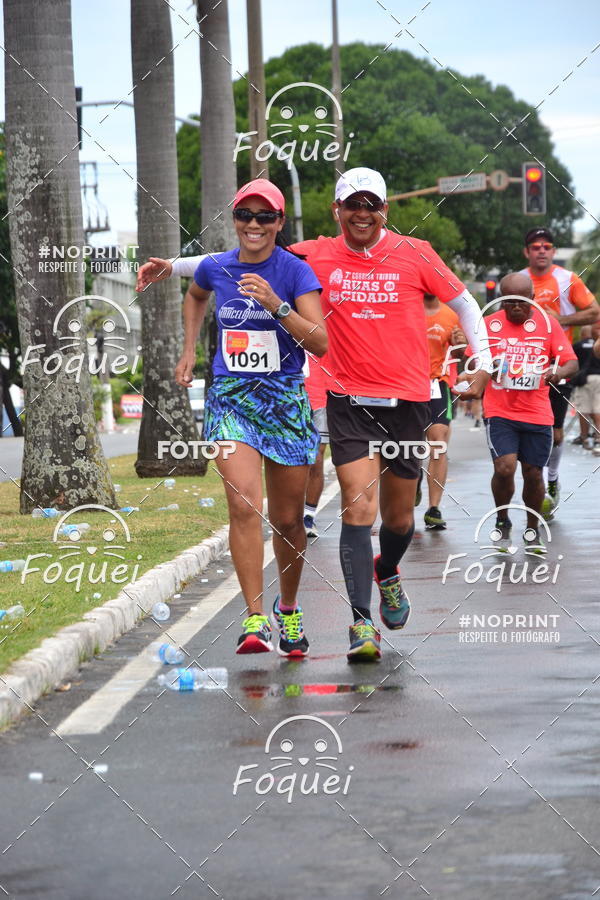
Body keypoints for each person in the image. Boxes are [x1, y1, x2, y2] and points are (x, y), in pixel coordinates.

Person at [137, 167, 491, 662]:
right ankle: (361, 626)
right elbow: (236, 256)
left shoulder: (416, 253)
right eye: (353, 205)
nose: (362, 213)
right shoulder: (317, 253)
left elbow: (466, 304)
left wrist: (484, 363)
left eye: (371, 205)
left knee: (399, 520)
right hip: (347, 400)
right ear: (337, 210)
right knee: (357, 509)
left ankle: (386, 570)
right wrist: (171, 268)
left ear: (385, 210)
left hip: (408, 402)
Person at [174, 178, 327, 657]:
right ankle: (254, 618)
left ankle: (289, 608)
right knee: (243, 506)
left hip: (283, 400)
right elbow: (195, 294)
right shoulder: (216, 266)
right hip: (231, 398)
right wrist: (189, 349)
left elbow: (320, 342)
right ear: (235, 219)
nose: (253, 224)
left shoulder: (295, 271)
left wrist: (276, 305)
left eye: (265, 217)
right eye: (245, 215)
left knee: (288, 521)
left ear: (279, 223)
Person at [482, 272, 578, 551]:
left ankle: (532, 528)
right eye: (509, 301)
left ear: (533, 299)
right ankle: (502, 521)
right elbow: (473, 361)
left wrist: (556, 373)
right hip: (499, 411)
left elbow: (571, 362)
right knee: (504, 468)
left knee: (534, 473)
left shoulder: (548, 325)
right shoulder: (488, 325)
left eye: (522, 302)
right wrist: (484, 369)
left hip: (537, 412)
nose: (515, 307)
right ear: (501, 299)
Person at [520, 227, 599, 509]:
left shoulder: (567, 279)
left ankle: (551, 479)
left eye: (547, 246)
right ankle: (536, 484)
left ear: (554, 251)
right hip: (524, 365)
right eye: (536, 246)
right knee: (529, 429)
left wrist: (562, 320)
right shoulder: (518, 280)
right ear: (526, 252)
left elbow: (594, 311)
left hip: (559, 365)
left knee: (554, 432)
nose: (541, 250)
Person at [419, 293, 466, 529]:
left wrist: (460, 346)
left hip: (437, 384)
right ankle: (413, 477)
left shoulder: (451, 315)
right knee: (408, 444)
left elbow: (459, 353)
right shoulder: (406, 306)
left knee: (438, 443)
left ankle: (434, 508)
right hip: (407, 384)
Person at [303, 352, 329, 538]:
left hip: (321, 400)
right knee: (291, 462)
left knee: (316, 460)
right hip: (289, 397)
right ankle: (290, 513)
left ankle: (308, 516)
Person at [571, 322, 600, 454]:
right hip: (599, 378)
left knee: (583, 410)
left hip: (584, 380)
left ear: (583, 334)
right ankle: (598, 437)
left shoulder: (578, 345)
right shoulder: (597, 345)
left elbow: (571, 362)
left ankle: (584, 437)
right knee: (598, 409)